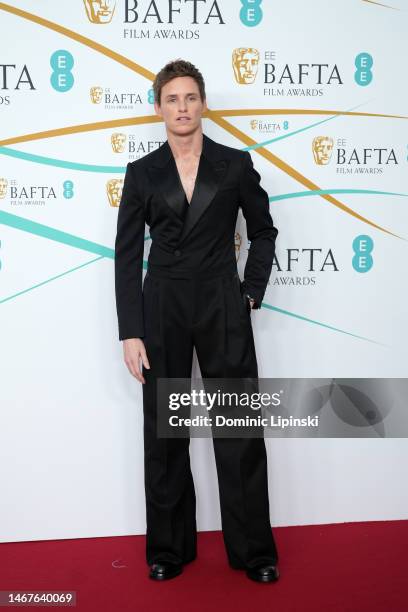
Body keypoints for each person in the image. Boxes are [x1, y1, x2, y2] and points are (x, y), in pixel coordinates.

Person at [114, 59, 279, 583]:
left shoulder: (233, 165)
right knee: (165, 435)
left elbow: (264, 231)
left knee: (238, 431)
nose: (182, 108)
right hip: (162, 305)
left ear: (202, 103)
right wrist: (131, 330)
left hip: (220, 304)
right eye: (172, 99)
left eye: (190, 98)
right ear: (158, 107)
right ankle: (168, 549)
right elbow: (125, 256)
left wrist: (249, 292)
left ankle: (255, 552)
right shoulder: (142, 172)